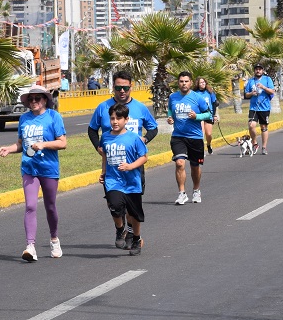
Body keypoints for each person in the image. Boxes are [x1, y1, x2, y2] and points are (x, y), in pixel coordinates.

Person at [0, 85, 67, 262]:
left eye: (37, 98)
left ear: (45, 100)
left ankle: (54, 239)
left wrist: (44, 145)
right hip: (29, 168)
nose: (33, 101)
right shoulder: (24, 119)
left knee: (50, 206)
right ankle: (30, 246)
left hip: (48, 168)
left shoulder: (54, 117)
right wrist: (9, 149)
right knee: (30, 206)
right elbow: (21, 144)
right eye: (30, 99)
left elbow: (62, 143)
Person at [88, 71, 157, 248]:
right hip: (112, 164)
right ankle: (120, 229)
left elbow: (153, 128)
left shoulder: (140, 108)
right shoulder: (103, 107)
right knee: (115, 202)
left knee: (131, 202)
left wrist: (144, 139)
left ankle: (132, 233)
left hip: (133, 164)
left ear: (131, 87)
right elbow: (92, 130)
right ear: (113, 87)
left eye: (125, 88)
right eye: (118, 87)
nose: (122, 91)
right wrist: (98, 147)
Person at [98, 103, 148, 256]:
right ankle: (120, 229)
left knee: (134, 214)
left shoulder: (134, 138)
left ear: (126, 120)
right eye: (112, 118)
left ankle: (137, 239)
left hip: (132, 182)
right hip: (113, 180)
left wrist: (130, 166)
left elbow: (144, 157)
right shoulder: (105, 137)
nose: (115, 121)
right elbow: (105, 155)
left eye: (119, 118)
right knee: (114, 206)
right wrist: (104, 171)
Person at [167, 71, 211, 204]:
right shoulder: (173, 97)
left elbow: (208, 114)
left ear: (191, 83)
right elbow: (170, 110)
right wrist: (170, 118)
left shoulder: (198, 98)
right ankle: (182, 193)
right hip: (178, 136)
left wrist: (197, 116)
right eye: (181, 81)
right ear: (178, 83)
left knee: (195, 166)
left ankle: (196, 190)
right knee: (179, 163)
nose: (184, 84)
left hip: (195, 137)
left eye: (186, 81)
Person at [244, 63, 275, 154]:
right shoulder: (251, 81)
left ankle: (264, 147)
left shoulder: (267, 79)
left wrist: (263, 87)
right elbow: (246, 94)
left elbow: (272, 91)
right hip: (253, 108)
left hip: (264, 108)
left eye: (260, 69)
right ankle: (254, 143)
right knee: (251, 125)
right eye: (256, 69)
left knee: (263, 127)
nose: (258, 71)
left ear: (262, 70)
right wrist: (251, 93)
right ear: (254, 71)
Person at [194, 76, 219, 154]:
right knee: (201, 134)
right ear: (198, 84)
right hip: (200, 115)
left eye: (203, 82)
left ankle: (208, 144)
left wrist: (214, 115)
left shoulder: (210, 92)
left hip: (209, 115)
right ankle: (201, 150)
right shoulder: (195, 93)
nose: (203, 84)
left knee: (208, 134)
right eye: (201, 82)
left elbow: (214, 103)